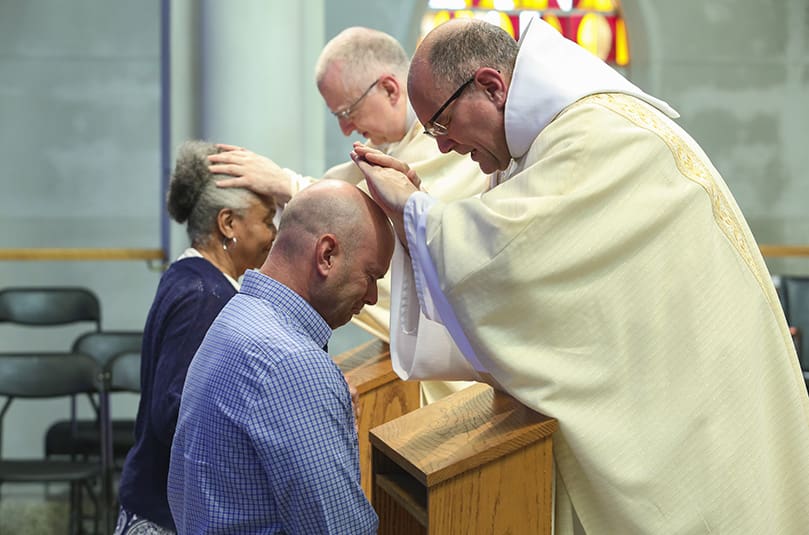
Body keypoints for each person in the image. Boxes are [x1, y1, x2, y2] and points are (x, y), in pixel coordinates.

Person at [352, 18, 809, 535]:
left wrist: (415, 211)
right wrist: (416, 216)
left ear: (491, 86)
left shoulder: (593, 137)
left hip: (694, 413)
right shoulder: (550, 140)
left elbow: (512, 261)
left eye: (440, 123)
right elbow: (520, 259)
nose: (443, 147)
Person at [208, 26, 490, 403]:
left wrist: (287, 185)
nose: (345, 129)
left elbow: (389, 245)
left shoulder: (451, 147)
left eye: (347, 111)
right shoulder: (390, 148)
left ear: (390, 89)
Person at [167, 180, 393, 534]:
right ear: (327, 255)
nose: (373, 297)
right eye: (371, 275)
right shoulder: (291, 362)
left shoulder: (236, 315)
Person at [114, 140, 277, 535]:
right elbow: (176, 413)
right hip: (166, 515)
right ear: (228, 223)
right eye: (268, 220)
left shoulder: (189, 278)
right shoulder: (207, 297)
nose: (274, 234)